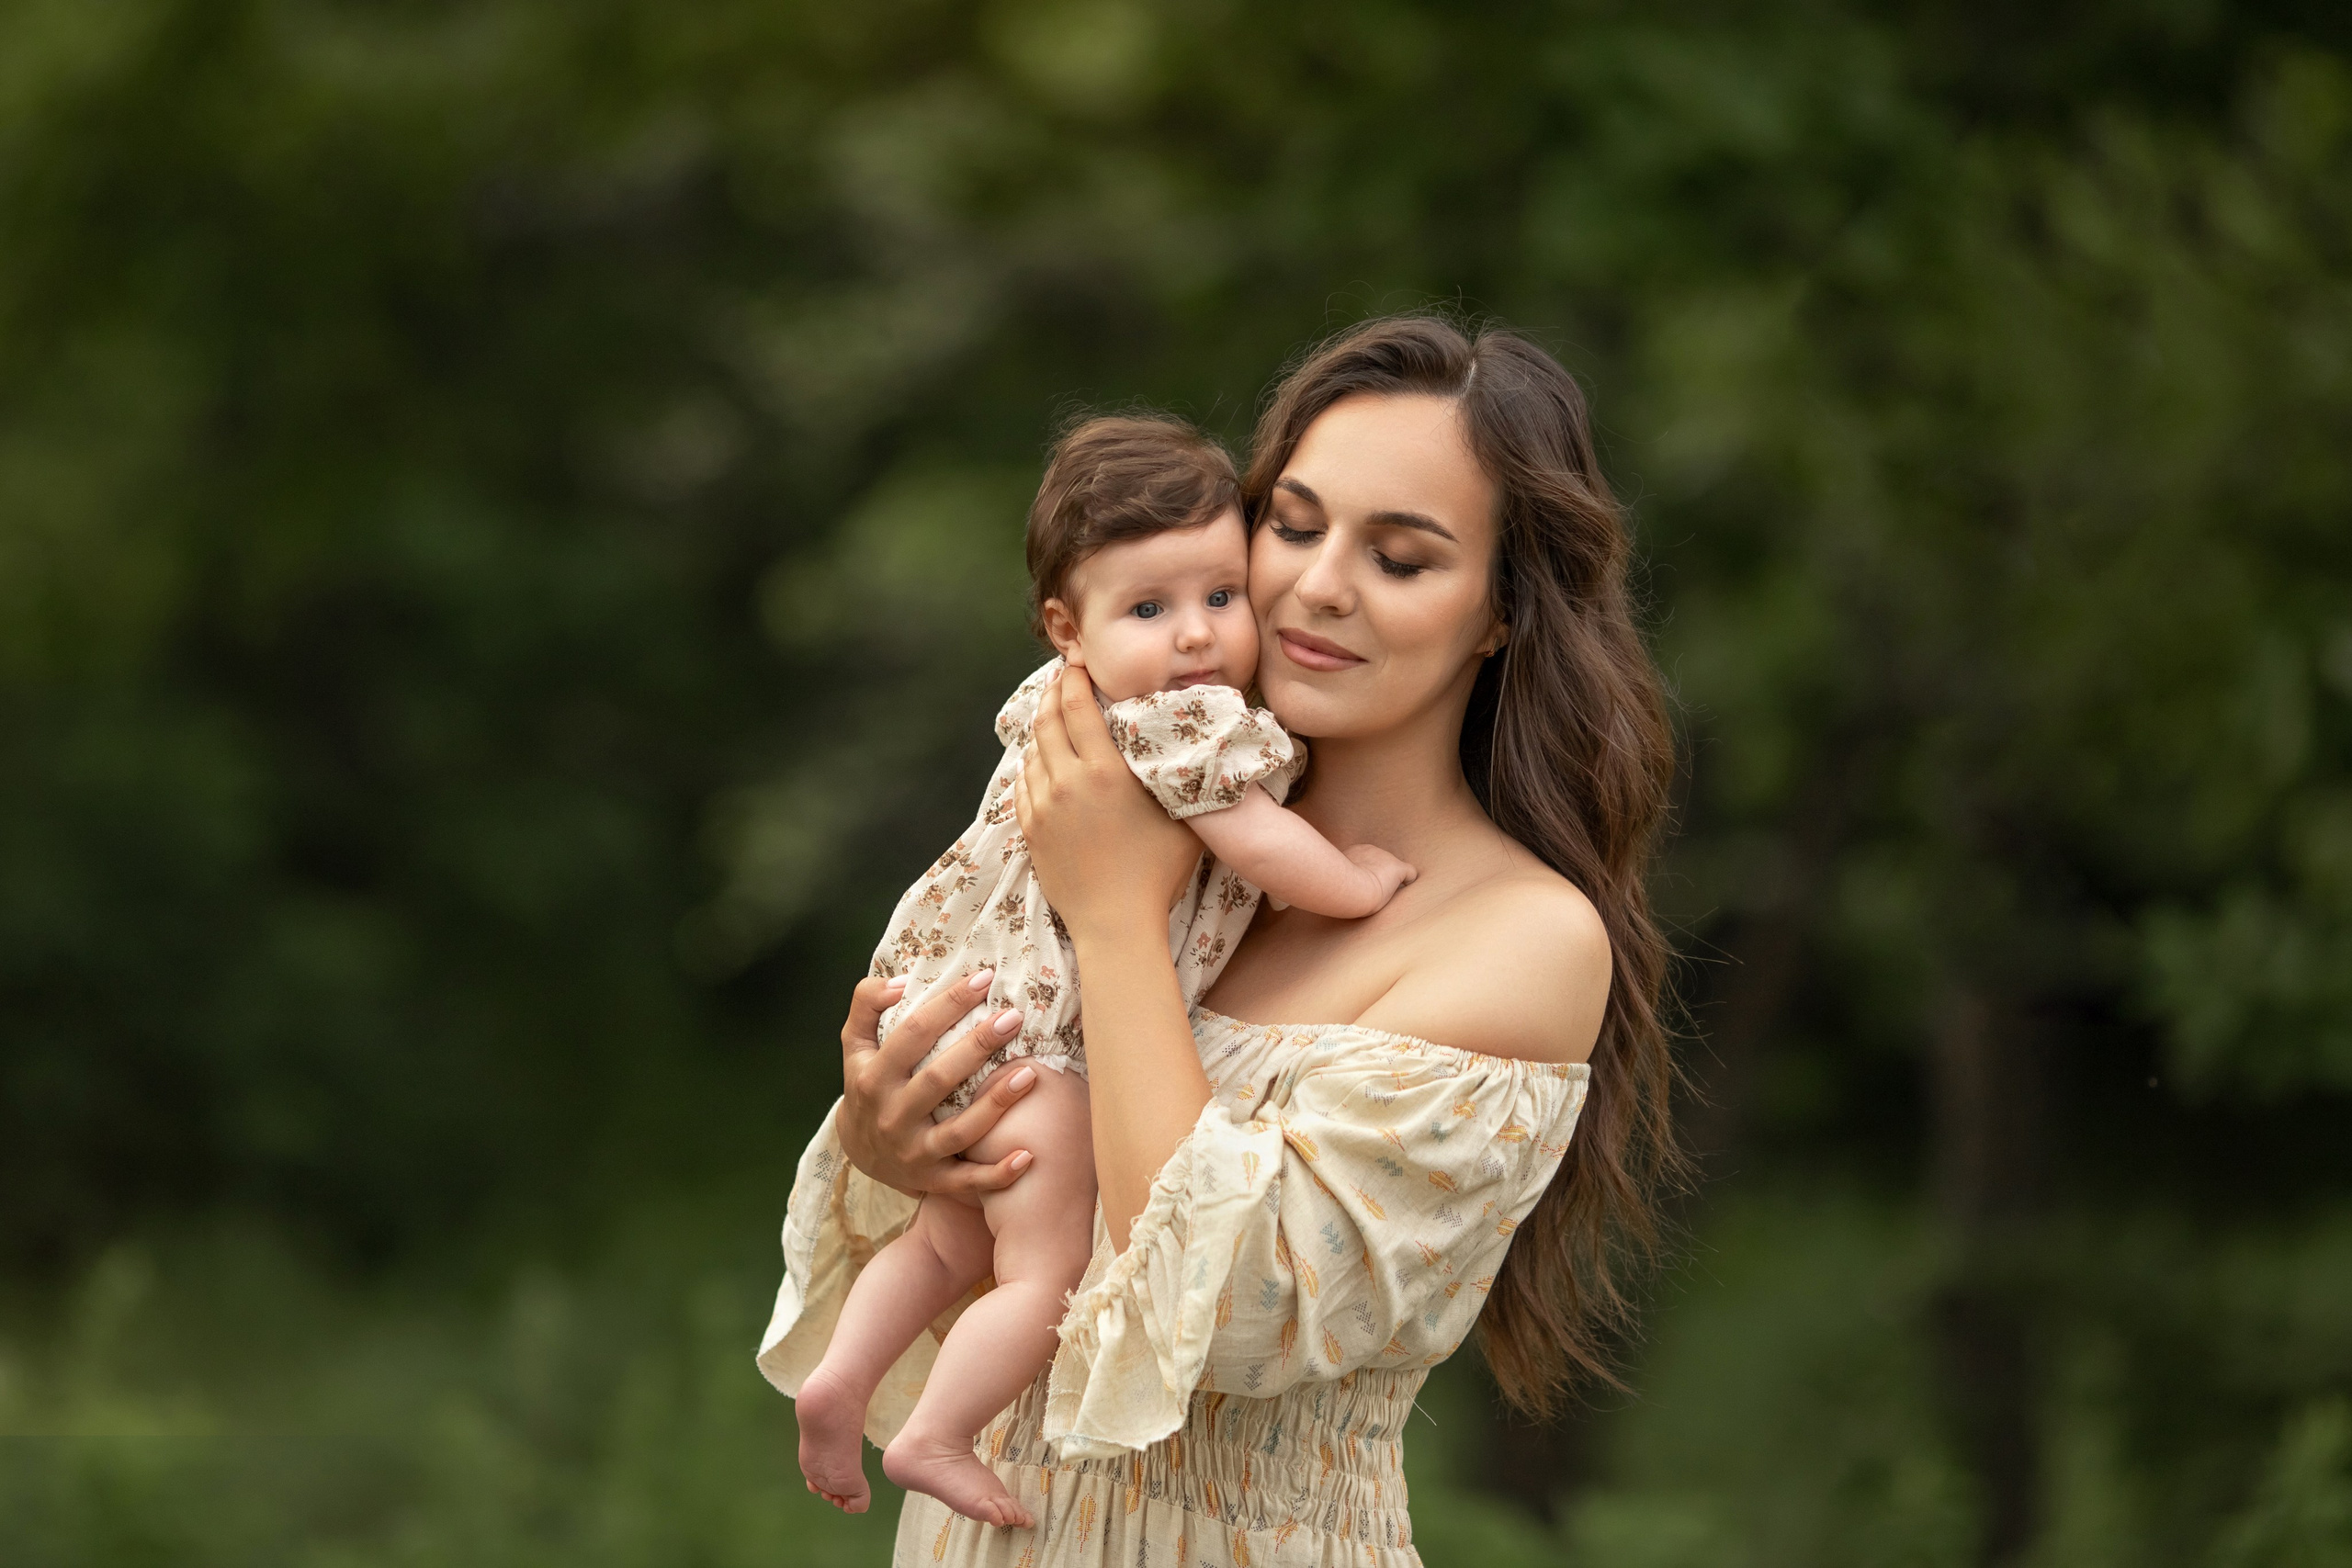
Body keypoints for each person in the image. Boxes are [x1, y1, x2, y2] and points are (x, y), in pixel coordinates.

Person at [810, 313, 1679, 1566]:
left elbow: (1216, 1309)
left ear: (1499, 611)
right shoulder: (1151, 827)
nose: (1319, 584)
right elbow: (1007, 1248)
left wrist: (1115, 919)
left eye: (1403, 556)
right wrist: (898, 1137)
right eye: (1296, 522)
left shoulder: (1522, 939)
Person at [765, 416, 1417, 1527]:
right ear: (1069, 626)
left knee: (948, 1238)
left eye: (1221, 596)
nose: (1198, 637)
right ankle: (931, 1432)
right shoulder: (1177, 727)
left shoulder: (1057, 705)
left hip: (959, 1010)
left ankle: (836, 1379)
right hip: (1040, 1044)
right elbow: (1261, 844)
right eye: (1150, 610)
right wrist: (1355, 882)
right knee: (1042, 1270)